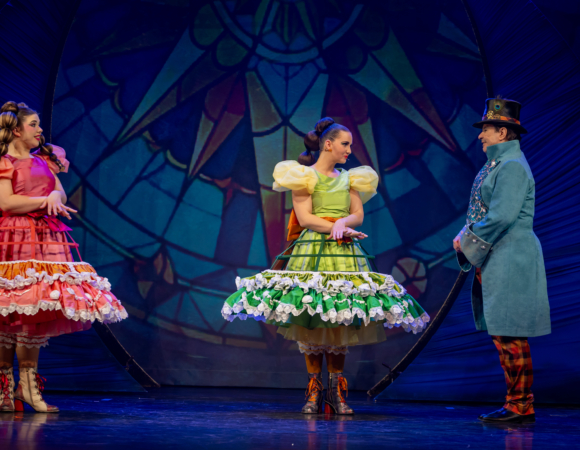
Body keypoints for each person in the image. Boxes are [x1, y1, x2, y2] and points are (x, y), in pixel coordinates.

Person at [0, 101, 128, 412]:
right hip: (12, 238)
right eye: (34, 125)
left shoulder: (46, 159)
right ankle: (5, 389)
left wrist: (54, 194)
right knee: (4, 308)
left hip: (46, 238)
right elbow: (8, 203)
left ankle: (27, 387)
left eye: (39, 124)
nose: (40, 130)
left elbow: (59, 192)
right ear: (16, 130)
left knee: (34, 306)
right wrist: (45, 201)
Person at [222, 117, 430, 414]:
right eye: (345, 144)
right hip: (313, 249)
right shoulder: (303, 176)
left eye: (351, 145)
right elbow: (305, 218)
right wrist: (337, 227)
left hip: (344, 251)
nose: (349, 150)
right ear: (328, 144)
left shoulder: (350, 178)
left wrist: (344, 223)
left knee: (339, 315)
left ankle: (336, 391)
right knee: (311, 312)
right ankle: (314, 390)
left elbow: (357, 214)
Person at [453, 97, 551, 423]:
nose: (481, 135)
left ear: (503, 132)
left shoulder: (511, 166)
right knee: (503, 333)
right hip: (497, 255)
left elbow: (501, 216)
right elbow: (482, 211)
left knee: (510, 332)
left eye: (487, 129)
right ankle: (517, 402)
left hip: (510, 257)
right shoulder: (498, 164)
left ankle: (520, 404)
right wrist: (466, 233)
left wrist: (466, 239)